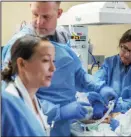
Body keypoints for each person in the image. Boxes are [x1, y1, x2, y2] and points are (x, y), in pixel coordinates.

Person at [2, 2, 118, 136]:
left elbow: (75, 72)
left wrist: (99, 88)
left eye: (46, 17)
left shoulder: (62, 37)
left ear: (58, 13)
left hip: (63, 126)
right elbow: (17, 99)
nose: (39, 22)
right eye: (35, 14)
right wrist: (59, 111)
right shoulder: (19, 46)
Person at [88, 29, 131, 119]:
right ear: (120, 45)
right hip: (106, 116)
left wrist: (119, 106)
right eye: (124, 48)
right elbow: (95, 83)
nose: (126, 54)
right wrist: (96, 101)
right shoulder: (110, 63)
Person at [1, 35, 56, 136]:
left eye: (53, 61)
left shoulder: (32, 98)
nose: (53, 68)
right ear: (22, 64)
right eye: (45, 60)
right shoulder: (8, 105)